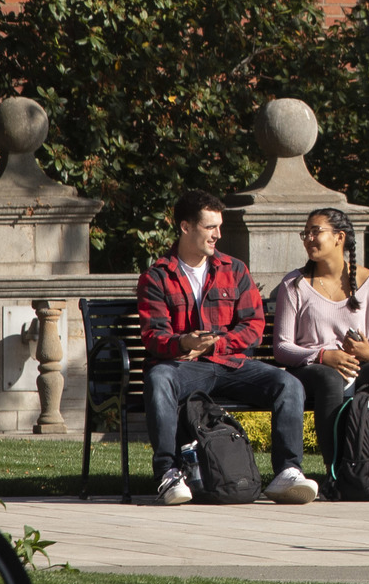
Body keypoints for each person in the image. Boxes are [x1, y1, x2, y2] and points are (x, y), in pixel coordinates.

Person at [137, 190, 320, 506]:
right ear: (185, 227)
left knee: (288, 384)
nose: (218, 235)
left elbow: (253, 326)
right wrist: (183, 343)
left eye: (218, 227)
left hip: (230, 363)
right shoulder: (157, 276)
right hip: (184, 367)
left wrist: (217, 343)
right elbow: (154, 336)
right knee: (159, 378)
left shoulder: (234, 269)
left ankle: (287, 472)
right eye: (210, 227)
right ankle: (168, 473)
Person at [269, 206, 369, 502]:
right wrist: (321, 355)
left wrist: (368, 352)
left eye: (316, 232)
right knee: (329, 378)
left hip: (357, 369)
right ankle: (335, 475)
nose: (309, 239)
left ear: (339, 237)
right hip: (311, 372)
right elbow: (282, 347)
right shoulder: (295, 285)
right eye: (306, 233)